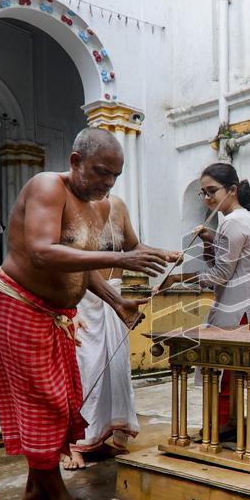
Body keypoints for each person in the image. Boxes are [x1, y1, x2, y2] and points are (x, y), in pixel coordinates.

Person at [0, 127, 179, 500]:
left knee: (67, 399)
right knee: (48, 403)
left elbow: (84, 266)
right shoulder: (47, 187)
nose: (106, 183)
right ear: (75, 161)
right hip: (20, 305)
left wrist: (116, 300)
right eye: (99, 172)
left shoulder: (97, 206)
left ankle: (35, 490)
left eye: (114, 176)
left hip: (57, 314)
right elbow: (41, 250)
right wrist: (125, 259)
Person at [157, 163, 250, 425]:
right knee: (225, 373)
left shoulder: (234, 222)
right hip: (237, 303)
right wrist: (209, 238)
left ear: (232, 190)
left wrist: (176, 278)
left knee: (224, 375)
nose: (207, 198)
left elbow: (219, 275)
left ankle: (221, 431)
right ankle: (225, 429)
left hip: (238, 308)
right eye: (203, 193)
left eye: (212, 191)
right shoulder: (231, 221)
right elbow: (215, 263)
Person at [62, 194, 156, 470]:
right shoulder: (71, 205)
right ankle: (72, 445)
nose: (106, 181)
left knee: (115, 372)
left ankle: (101, 438)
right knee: (86, 370)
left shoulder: (119, 205)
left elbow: (134, 245)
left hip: (113, 296)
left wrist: (161, 255)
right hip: (82, 298)